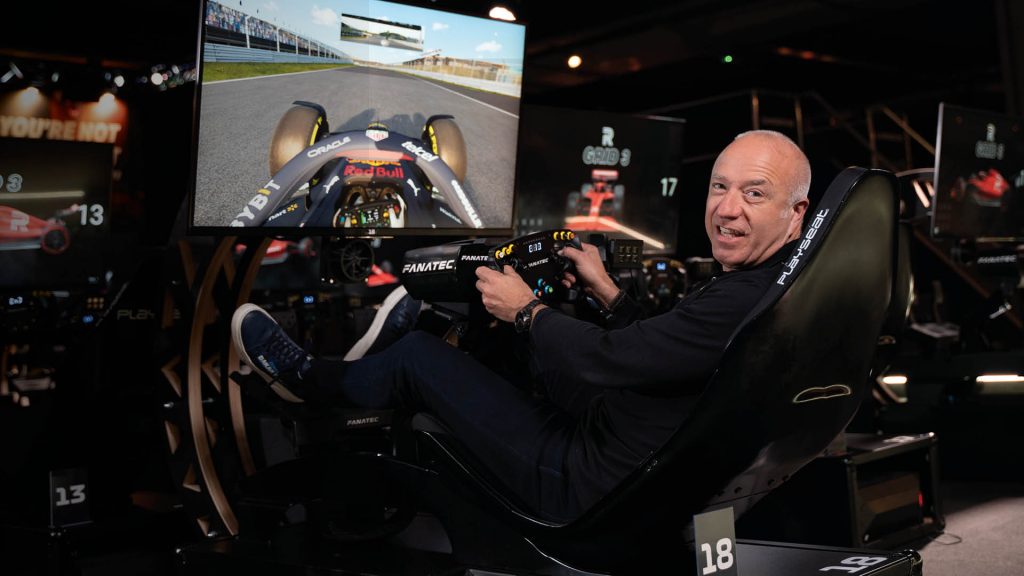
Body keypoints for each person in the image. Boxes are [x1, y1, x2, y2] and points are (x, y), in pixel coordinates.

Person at [232, 130, 811, 522]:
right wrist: (607, 293)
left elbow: (608, 359)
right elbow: (662, 352)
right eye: (720, 187)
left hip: (586, 482)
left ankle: (309, 381)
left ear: (795, 214)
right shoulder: (773, 286)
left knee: (420, 357)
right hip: (632, 445)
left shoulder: (742, 298)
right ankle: (386, 355)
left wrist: (528, 310)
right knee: (505, 336)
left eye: (754, 194)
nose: (727, 208)